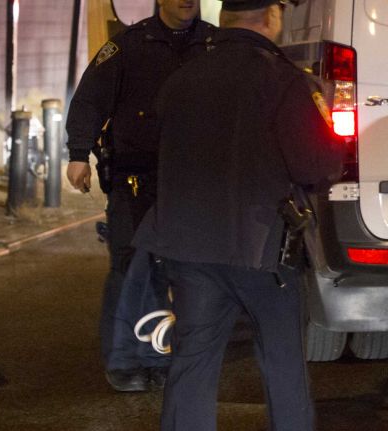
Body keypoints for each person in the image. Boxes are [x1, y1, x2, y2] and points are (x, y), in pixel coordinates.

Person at [132, 0, 344, 429]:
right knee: (282, 362)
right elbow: (314, 165)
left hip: (187, 247)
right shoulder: (281, 80)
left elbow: (153, 151)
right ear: (269, 17)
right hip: (262, 250)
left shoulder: (181, 79)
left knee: (192, 364)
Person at [65, 0, 216, 392]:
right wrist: (79, 154)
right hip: (136, 181)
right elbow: (89, 99)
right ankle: (125, 359)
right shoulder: (129, 45)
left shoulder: (215, 44)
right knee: (131, 269)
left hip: (193, 183)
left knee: (183, 273)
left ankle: (163, 355)